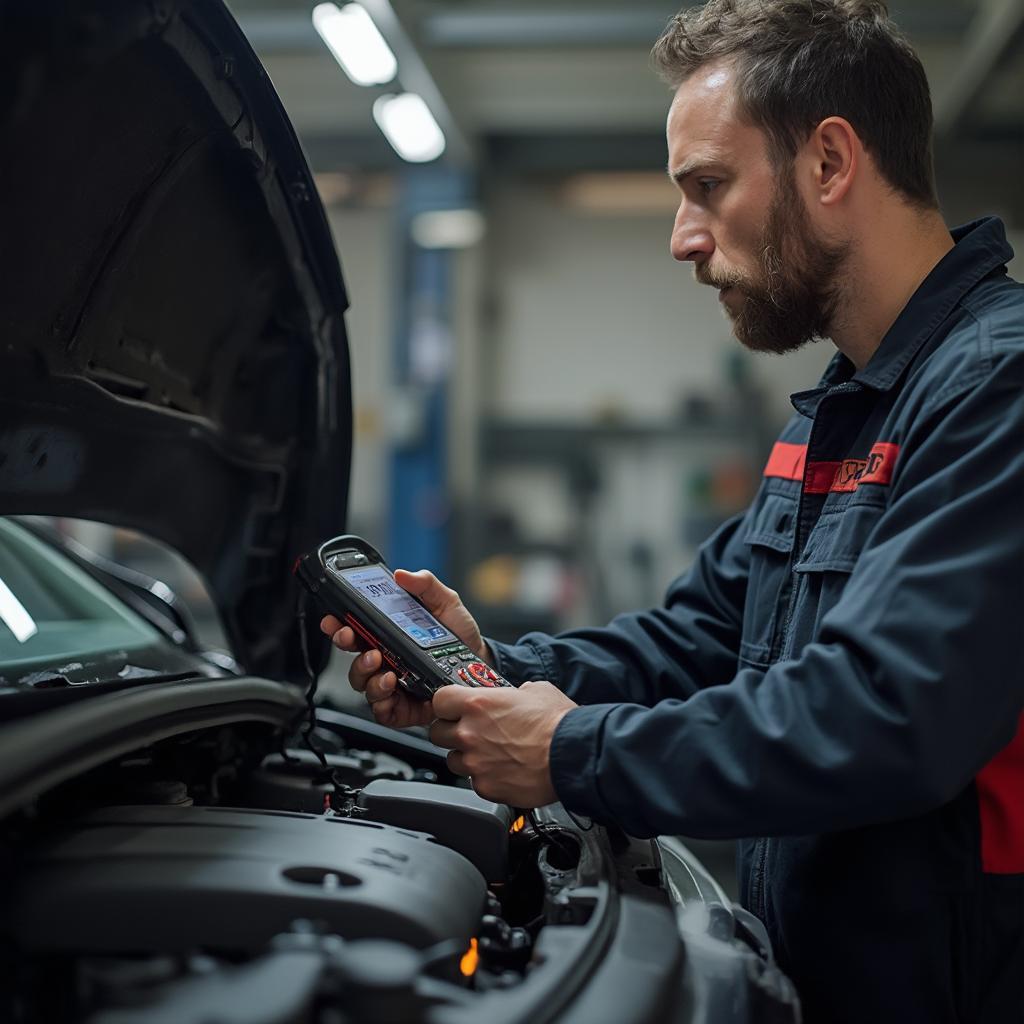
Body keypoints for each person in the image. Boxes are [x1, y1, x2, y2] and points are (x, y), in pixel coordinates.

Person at [323, 1, 1024, 1020]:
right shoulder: (838, 411)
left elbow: (884, 714)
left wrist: (572, 753)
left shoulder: (993, 391)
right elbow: (698, 638)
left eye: (707, 186)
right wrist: (495, 670)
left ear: (829, 163)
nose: (682, 238)